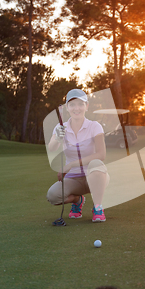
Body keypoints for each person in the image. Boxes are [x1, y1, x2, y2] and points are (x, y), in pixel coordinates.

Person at [46, 89, 110, 222]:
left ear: (86, 106)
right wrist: (57, 137)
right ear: (67, 107)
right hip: (73, 180)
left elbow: (101, 154)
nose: (77, 108)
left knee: (96, 163)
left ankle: (98, 207)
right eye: (72, 104)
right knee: (53, 196)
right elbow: (52, 148)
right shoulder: (60, 127)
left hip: (95, 176)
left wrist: (71, 165)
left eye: (80, 104)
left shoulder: (95, 126)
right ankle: (78, 200)